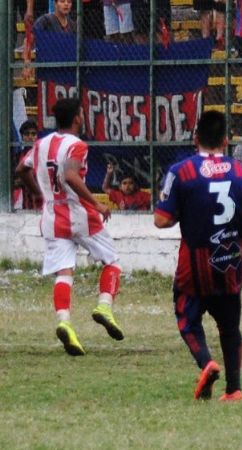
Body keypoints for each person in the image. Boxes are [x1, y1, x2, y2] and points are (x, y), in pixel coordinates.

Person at [154, 111, 242, 402]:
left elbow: (161, 220)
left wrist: (187, 210)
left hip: (195, 263)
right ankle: (234, 389)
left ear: (195, 139)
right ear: (226, 141)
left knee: (186, 317)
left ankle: (206, 362)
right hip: (229, 260)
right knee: (230, 326)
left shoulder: (181, 171)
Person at [15, 98, 123, 356]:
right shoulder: (77, 145)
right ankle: (104, 306)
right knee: (112, 261)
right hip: (79, 213)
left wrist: (39, 192)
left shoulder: (41, 144)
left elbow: (21, 169)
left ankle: (64, 322)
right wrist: (97, 204)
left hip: (52, 216)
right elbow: (70, 175)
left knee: (64, 272)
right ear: (77, 118)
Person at [23, 0, 76, 80]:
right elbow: (28, 40)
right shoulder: (45, 20)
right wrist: (27, 62)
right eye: (62, 1)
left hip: (67, 70)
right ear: (55, 4)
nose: (66, 4)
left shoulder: (72, 25)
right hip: (47, 68)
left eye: (69, 2)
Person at [13, 120, 42, 211]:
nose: (30, 137)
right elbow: (13, 182)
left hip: (41, 205)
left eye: (33, 134)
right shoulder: (16, 157)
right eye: (27, 134)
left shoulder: (42, 156)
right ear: (22, 136)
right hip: (23, 206)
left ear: (37, 136)